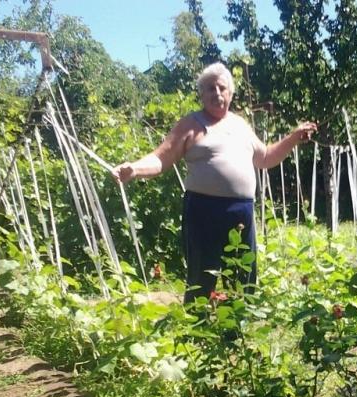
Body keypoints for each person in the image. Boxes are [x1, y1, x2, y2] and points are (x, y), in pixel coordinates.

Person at [111, 62, 317, 303]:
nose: (216, 93)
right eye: (210, 88)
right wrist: (134, 169)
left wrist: (292, 138)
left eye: (222, 88)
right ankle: (197, 334)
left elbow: (266, 158)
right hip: (203, 210)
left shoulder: (240, 125)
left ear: (230, 93)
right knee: (201, 275)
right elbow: (161, 158)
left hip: (241, 212)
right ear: (201, 94)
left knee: (242, 277)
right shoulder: (191, 124)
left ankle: (235, 335)